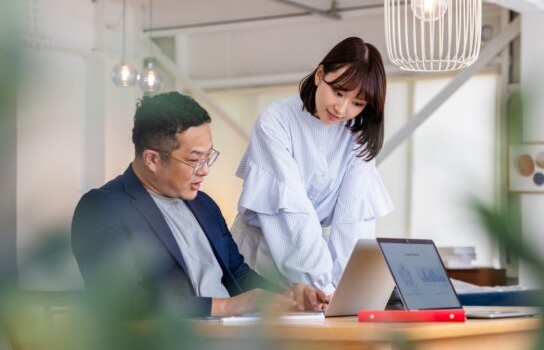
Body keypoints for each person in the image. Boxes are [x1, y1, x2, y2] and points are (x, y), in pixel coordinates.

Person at [71, 92, 328, 317]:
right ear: (152, 159)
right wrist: (225, 306)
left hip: (231, 337)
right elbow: (124, 300)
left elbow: (237, 273)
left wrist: (288, 296)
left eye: (208, 157)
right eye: (194, 160)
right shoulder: (102, 208)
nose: (204, 170)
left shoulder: (204, 205)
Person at [232, 37, 394, 295]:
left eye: (357, 103)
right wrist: (322, 286)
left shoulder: (357, 134)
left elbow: (352, 218)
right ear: (320, 75)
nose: (342, 109)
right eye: (338, 93)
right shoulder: (276, 120)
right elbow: (292, 212)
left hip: (315, 258)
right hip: (261, 257)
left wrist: (348, 288)